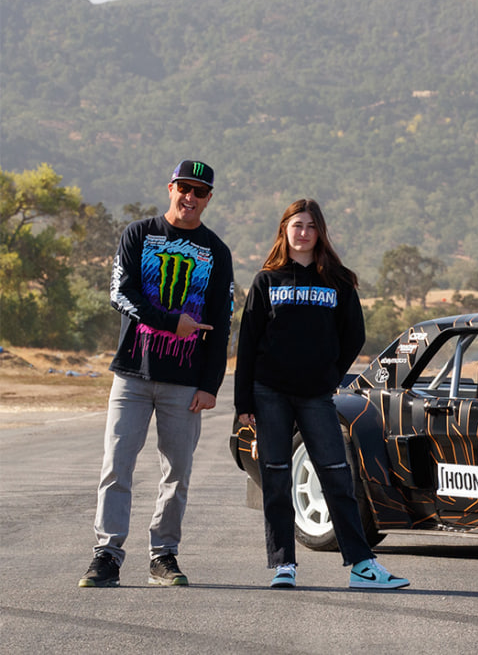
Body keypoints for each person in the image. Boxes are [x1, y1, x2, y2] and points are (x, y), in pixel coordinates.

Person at [235, 199, 409, 590]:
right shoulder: (267, 281)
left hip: (315, 395)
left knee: (337, 476)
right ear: (285, 230)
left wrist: (330, 373)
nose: (303, 232)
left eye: (311, 226)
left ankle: (362, 566)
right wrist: (243, 403)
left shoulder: (338, 281)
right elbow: (247, 343)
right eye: (297, 225)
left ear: (320, 232)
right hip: (269, 393)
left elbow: (355, 335)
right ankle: (284, 565)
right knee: (276, 480)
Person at [79, 160, 235, 588]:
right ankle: (106, 555)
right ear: (170, 188)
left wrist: (210, 385)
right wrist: (172, 323)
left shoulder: (216, 251)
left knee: (177, 472)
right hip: (132, 373)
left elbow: (222, 322)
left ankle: (163, 555)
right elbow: (120, 294)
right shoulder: (138, 234)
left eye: (199, 192)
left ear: (208, 199)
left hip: (185, 383)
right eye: (184, 187)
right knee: (116, 466)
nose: (190, 197)